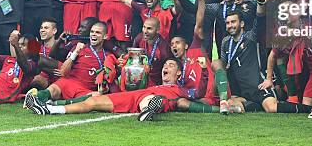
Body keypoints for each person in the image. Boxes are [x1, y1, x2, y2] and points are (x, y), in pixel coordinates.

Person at [26, 58, 194, 122]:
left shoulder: (179, 90)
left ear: (178, 72)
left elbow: (190, 101)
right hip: (129, 96)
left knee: (152, 100)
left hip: (153, 98)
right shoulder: (153, 82)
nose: (166, 67)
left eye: (171, 65)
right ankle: (48, 107)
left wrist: (220, 106)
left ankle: (50, 109)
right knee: (92, 101)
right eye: (165, 65)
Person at [25, 22, 110, 105]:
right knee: (52, 90)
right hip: (69, 82)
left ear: (105, 36)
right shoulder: (78, 48)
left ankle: (56, 103)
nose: (93, 34)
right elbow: (63, 71)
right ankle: (34, 98)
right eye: (92, 32)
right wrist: (76, 52)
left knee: (97, 96)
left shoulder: (108, 55)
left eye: (97, 32)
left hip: (85, 89)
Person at [130, 17, 172, 86]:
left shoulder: (163, 48)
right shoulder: (139, 38)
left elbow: (167, 71)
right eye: (144, 27)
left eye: (149, 28)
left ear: (158, 30)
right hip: (138, 78)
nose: (145, 31)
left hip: (155, 82)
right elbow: (131, 56)